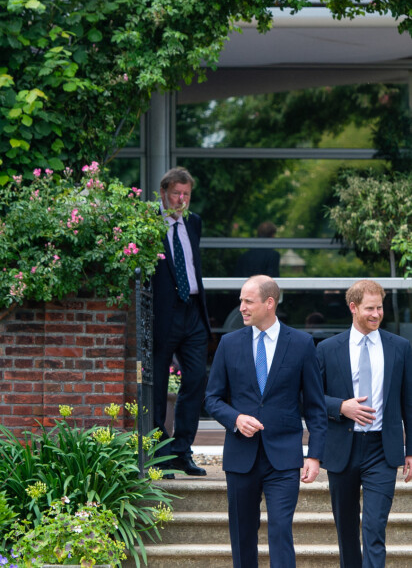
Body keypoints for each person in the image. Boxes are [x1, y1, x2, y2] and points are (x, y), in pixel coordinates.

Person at [205, 275, 327, 567]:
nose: (241, 308)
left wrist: (316, 455)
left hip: (284, 457)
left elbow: (315, 406)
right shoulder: (229, 343)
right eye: (241, 301)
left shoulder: (301, 343)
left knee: (281, 531)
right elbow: (211, 399)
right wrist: (235, 418)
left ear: (269, 303)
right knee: (242, 535)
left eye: (248, 301)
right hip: (240, 457)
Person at [316, 279, 412, 568]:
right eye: (370, 308)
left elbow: (409, 401)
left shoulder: (400, 347)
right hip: (342, 447)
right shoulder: (327, 349)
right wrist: (340, 406)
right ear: (353, 307)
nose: (376, 314)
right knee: (346, 533)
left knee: (373, 528)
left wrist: (411, 450)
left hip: (382, 449)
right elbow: (308, 399)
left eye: (380, 307)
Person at [151, 166, 211, 478]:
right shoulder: (149, 224)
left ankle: (181, 451)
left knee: (197, 379)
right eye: (177, 193)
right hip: (165, 312)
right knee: (158, 384)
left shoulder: (194, 223)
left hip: (193, 312)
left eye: (186, 194)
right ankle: (158, 453)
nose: (181, 199)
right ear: (164, 193)